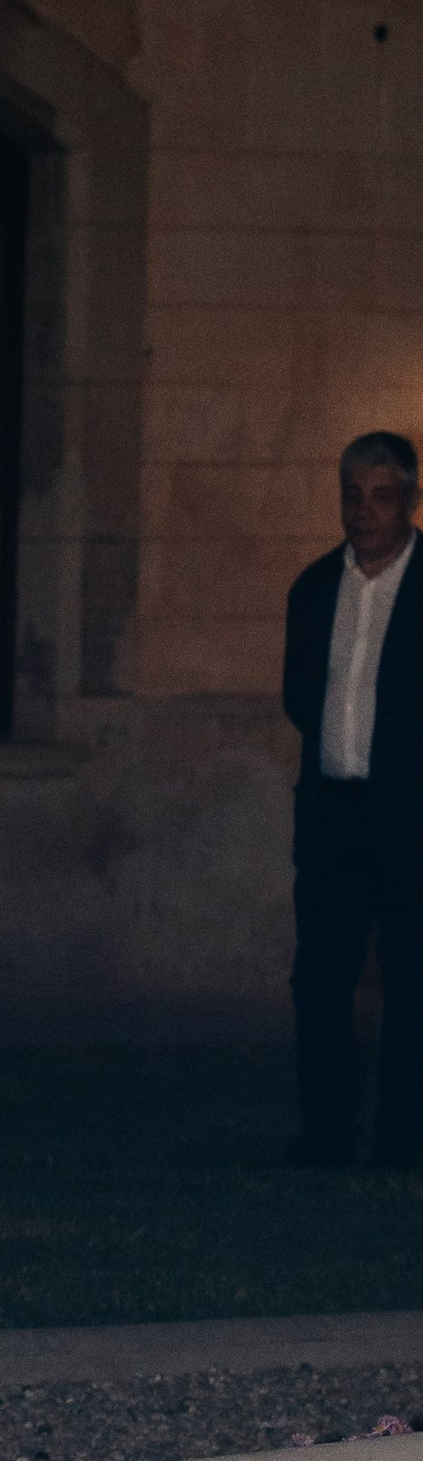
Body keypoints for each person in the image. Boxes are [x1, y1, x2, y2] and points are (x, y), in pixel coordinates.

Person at [282, 426, 423, 1164]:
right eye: (353, 495)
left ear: (409, 500)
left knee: (412, 982)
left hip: (412, 819)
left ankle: (403, 1139)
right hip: (335, 815)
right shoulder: (312, 588)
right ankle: (325, 1133)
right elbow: (300, 697)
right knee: (322, 979)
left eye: (382, 495)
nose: (365, 511)